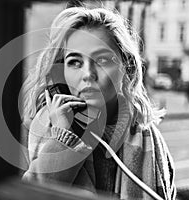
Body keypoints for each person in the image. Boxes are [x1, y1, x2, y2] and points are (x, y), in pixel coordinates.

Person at [21, 5, 176, 200]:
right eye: (75, 62)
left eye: (102, 60)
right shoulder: (38, 130)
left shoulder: (149, 138)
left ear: (126, 67)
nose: (88, 74)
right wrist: (63, 138)